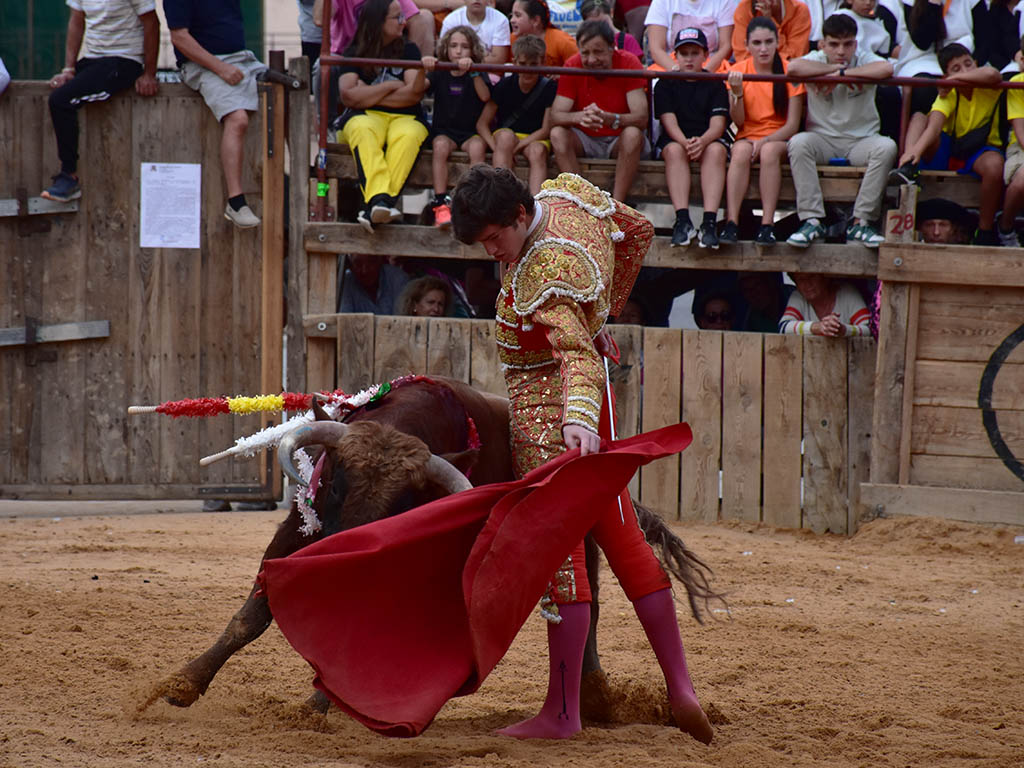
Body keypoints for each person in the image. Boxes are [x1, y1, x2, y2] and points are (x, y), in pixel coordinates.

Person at [450, 165, 713, 745]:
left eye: (496, 238)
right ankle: (681, 687)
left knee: (561, 555)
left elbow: (576, 357)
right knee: (623, 539)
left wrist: (574, 417)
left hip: (551, 415)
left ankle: (562, 712)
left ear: (521, 216)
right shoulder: (567, 194)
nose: (493, 253)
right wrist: (604, 311)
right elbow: (639, 229)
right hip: (598, 410)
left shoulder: (545, 273)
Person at [786, 13, 897, 248]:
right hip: (822, 139)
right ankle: (812, 220)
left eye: (847, 44)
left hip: (861, 141)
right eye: (834, 44)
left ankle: (861, 222)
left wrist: (843, 75)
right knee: (798, 143)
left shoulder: (862, 57)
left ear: (855, 44)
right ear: (823, 44)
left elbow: (886, 68)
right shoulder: (817, 58)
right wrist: (830, 71)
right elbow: (793, 67)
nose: (841, 51)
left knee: (887, 147)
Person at [41, 0, 159, 204]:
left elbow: (152, 24)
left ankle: (69, 176)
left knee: (60, 100)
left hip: (124, 60)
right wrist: (68, 70)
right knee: (61, 92)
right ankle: (67, 176)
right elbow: (76, 21)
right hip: (93, 59)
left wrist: (149, 73)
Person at [165, 0, 266, 228]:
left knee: (288, 93)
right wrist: (221, 68)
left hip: (243, 58)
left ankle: (300, 177)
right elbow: (179, 37)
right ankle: (236, 202)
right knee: (237, 119)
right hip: (204, 66)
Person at [898, 43, 1009, 245]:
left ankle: (984, 232)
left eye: (968, 64)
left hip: (979, 151)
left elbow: (993, 74)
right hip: (947, 152)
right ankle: (909, 165)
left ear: (976, 63)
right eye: (956, 68)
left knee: (995, 165)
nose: (965, 71)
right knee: (920, 118)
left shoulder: (988, 88)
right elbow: (934, 128)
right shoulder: (947, 95)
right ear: (945, 75)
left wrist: (955, 78)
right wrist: (915, 152)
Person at [336, 0, 429, 232]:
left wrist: (366, 93)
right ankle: (381, 202)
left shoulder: (409, 49)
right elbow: (349, 96)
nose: (403, 21)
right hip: (365, 115)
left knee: (410, 134)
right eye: (396, 17)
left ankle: (377, 205)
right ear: (378, 22)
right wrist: (390, 86)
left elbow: (413, 94)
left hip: (405, 117)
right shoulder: (354, 50)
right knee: (362, 128)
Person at [722, 16, 805, 245]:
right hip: (747, 135)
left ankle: (767, 224)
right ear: (747, 45)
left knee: (768, 153)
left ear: (777, 42)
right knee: (738, 153)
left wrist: (766, 140)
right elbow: (738, 121)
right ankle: (732, 222)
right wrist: (736, 93)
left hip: (779, 137)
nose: (763, 48)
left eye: (769, 42)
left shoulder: (790, 72)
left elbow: (792, 124)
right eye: (757, 43)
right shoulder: (739, 71)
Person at [550, 20, 649, 202]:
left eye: (598, 52)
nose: (591, 60)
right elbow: (556, 115)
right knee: (557, 134)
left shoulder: (628, 62)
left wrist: (611, 119)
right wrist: (579, 117)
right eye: (585, 53)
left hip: (618, 140)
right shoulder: (572, 65)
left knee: (633, 134)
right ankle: (585, 202)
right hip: (585, 138)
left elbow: (641, 117)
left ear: (612, 48)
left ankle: (617, 205)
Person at [654, 27, 730, 249]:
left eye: (694, 53)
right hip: (678, 140)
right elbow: (668, 121)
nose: (689, 59)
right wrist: (686, 142)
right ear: (675, 56)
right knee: (674, 151)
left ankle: (709, 222)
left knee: (717, 151)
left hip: (708, 140)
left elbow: (718, 123)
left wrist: (702, 142)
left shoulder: (715, 83)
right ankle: (683, 220)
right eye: (684, 53)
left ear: (705, 55)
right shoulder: (665, 84)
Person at [422, 25, 492, 227]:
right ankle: (441, 203)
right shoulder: (440, 71)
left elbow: (485, 96)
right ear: (446, 48)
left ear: (473, 51)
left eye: (464, 46)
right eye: (453, 46)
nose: (458, 51)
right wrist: (424, 68)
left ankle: (472, 202)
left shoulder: (477, 72)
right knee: (440, 146)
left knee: (478, 147)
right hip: (445, 132)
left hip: (469, 132)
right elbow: (419, 89)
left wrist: (472, 72)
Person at [478, 34, 558, 194]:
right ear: (514, 62)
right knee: (505, 138)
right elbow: (482, 124)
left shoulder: (549, 87)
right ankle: (502, 197)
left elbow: (545, 129)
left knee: (538, 151)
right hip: (506, 138)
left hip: (536, 138)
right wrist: (496, 147)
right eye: (522, 64)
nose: (527, 70)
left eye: (533, 64)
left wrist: (516, 148)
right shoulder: (504, 85)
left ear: (542, 63)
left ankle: (536, 203)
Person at [644, 0, 735, 74]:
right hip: (670, 66)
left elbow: (726, 46)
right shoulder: (661, 2)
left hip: (713, 67)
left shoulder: (724, 2)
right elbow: (656, 49)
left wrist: (704, 73)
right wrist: (677, 72)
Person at [779, 273, 870, 336]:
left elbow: (869, 329)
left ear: (824, 277)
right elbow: (784, 326)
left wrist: (844, 330)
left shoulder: (847, 293)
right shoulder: (798, 296)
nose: (807, 284)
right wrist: (817, 327)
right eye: (800, 279)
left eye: (812, 276)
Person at [732, 0, 812, 62]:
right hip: (754, 73)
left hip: (789, 74)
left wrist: (770, 23)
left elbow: (795, 57)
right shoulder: (744, 9)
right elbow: (742, 56)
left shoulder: (799, 10)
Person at [510, 0, 580, 67]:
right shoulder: (511, 39)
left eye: (518, 15)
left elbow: (579, 67)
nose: (512, 20)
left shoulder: (563, 42)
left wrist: (561, 76)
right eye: (512, 15)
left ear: (535, 20)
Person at [439, 0, 512, 64]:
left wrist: (469, 64)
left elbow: (498, 60)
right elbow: (443, 54)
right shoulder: (451, 20)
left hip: (488, 73)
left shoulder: (500, 20)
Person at [338, 253, 411, 313]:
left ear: (380, 261)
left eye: (371, 262)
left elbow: (402, 318)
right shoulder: (347, 282)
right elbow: (344, 317)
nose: (364, 270)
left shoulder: (397, 278)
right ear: (351, 266)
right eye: (358, 264)